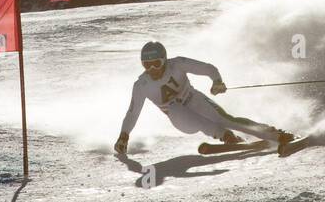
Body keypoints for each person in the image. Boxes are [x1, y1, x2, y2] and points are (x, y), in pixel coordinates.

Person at [114, 41, 295, 156]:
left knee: (226, 119)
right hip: (180, 119)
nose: (152, 70)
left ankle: (274, 134)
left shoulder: (177, 64)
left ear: (164, 60)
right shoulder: (141, 85)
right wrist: (124, 137)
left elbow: (208, 68)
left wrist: (217, 81)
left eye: (156, 64)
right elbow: (132, 113)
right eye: (147, 65)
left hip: (194, 99)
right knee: (177, 108)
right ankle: (225, 136)